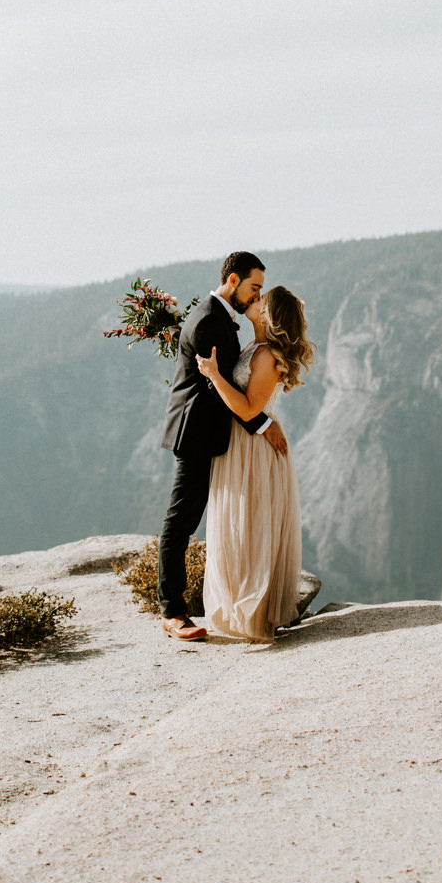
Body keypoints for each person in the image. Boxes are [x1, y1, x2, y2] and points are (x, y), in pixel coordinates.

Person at [155, 252, 286, 640]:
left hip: (213, 434)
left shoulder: (216, 314)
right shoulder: (211, 320)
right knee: (181, 520)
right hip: (196, 433)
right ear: (233, 281)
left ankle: (244, 599)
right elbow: (218, 385)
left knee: (218, 519)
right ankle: (172, 612)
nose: (257, 295)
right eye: (254, 287)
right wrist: (263, 424)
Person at [194, 284, 312, 641]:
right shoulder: (255, 348)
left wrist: (214, 375)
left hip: (254, 452)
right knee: (238, 525)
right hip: (242, 446)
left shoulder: (265, 355)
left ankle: (254, 614)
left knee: (249, 526)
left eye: (260, 299)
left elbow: (248, 408)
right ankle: (240, 609)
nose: (253, 300)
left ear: (268, 314)